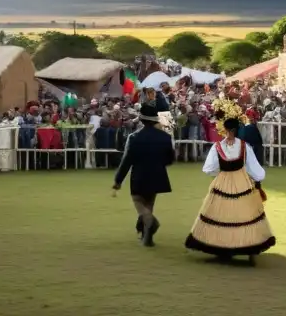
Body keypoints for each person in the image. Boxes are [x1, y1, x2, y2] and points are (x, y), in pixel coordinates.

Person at [185, 112, 275, 262]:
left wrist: (221, 172)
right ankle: (250, 246)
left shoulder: (217, 146)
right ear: (237, 129)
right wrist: (257, 178)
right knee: (246, 214)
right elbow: (255, 169)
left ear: (225, 129)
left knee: (221, 214)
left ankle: (221, 246)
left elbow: (208, 168)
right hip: (242, 181)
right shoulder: (245, 146)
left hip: (223, 180)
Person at [112, 103, 175, 247]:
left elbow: (127, 161)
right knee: (149, 203)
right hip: (158, 174)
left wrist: (118, 180)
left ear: (141, 120)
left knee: (139, 201)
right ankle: (147, 238)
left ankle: (151, 221)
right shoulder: (165, 137)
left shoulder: (134, 138)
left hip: (139, 175)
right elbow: (170, 159)